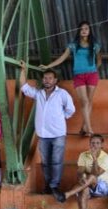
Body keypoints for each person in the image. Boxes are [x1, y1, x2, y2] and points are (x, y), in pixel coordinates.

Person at [19, 61, 76, 194]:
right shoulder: (39, 94)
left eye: (50, 78)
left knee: (56, 161)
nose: (47, 80)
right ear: (42, 80)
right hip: (43, 135)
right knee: (45, 163)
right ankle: (48, 185)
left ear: (55, 80)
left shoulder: (62, 94)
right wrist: (23, 69)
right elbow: (24, 87)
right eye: (45, 78)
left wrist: (60, 118)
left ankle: (54, 185)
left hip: (58, 134)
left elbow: (71, 110)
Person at [41, 21, 102, 136]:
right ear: (79, 31)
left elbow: (99, 60)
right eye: (82, 29)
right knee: (84, 101)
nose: (84, 31)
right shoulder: (73, 45)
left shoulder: (95, 45)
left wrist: (93, 69)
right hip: (78, 75)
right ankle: (89, 128)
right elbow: (62, 58)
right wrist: (49, 66)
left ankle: (84, 127)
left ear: (89, 31)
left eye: (86, 29)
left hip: (92, 75)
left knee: (89, 101)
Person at [53, 134, 108, 209]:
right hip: (88, 185)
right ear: (89, 144)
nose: (95, 145)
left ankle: (67, 195)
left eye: (97, 143)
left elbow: (96, 173)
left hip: (103, 187)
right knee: (83, 190)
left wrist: (94, 159)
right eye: (92, 143)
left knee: (92, 176)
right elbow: (80, 170)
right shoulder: (83, 155)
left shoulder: (107, 158)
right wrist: (82, 177)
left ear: (102, 145)